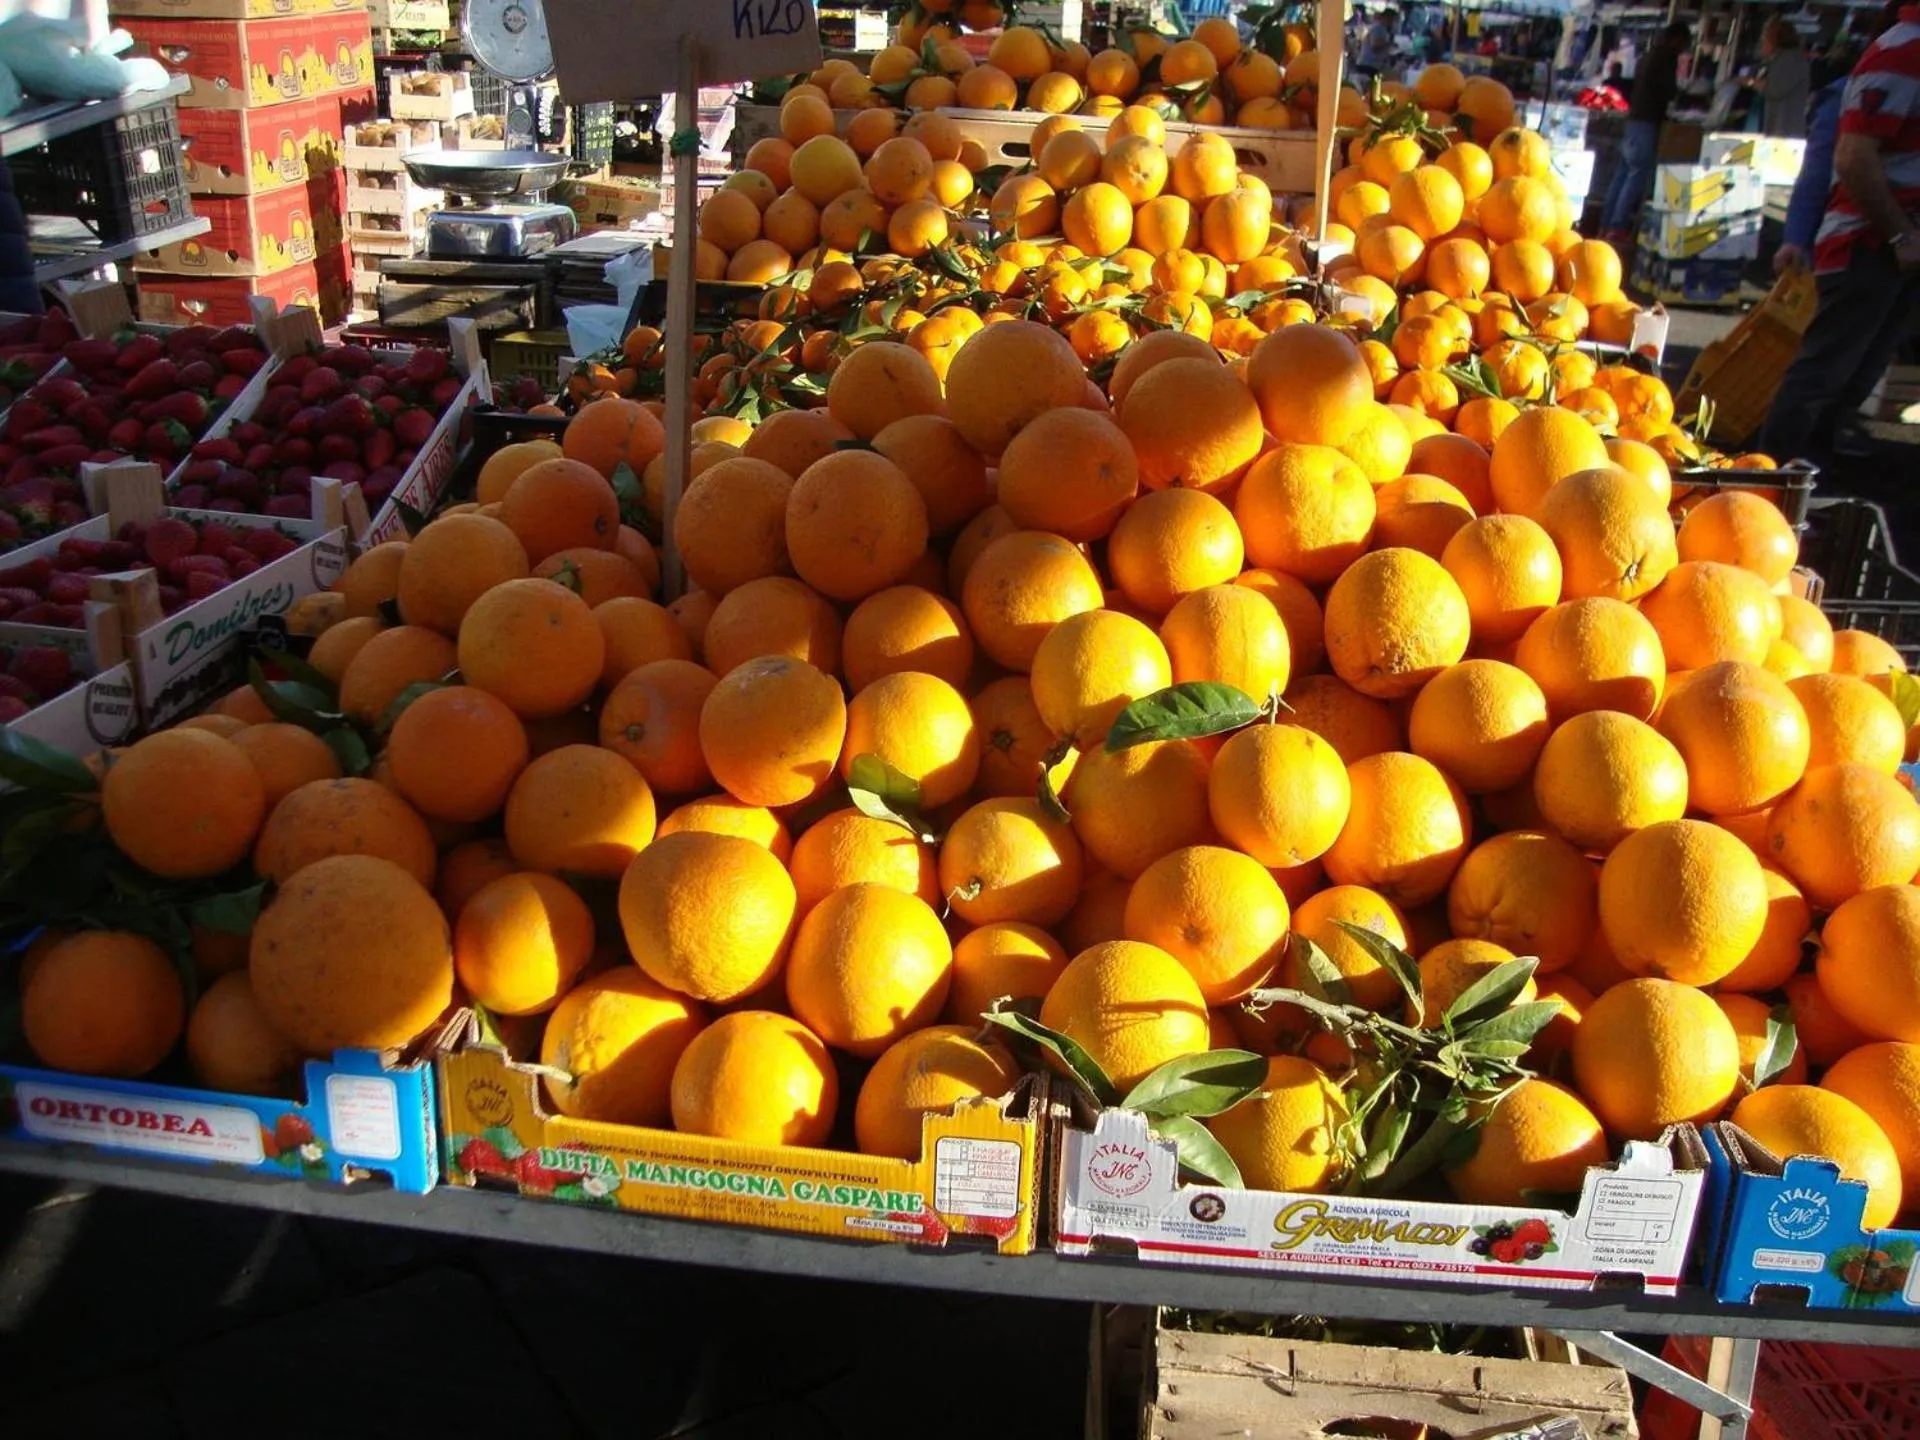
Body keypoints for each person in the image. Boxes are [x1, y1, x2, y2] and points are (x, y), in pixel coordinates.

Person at [1760, 5, 1920, 461]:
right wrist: (1900, 234)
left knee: (1856, 374)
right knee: (1823, 374)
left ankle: (1809, 480)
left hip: (1894, 245)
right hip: (1869, 244)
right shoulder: (1904, 52)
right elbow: (1849, 157)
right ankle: (1770, 481)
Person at [1599, 21, 1691, 243]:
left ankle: (1605, 223)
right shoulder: (1666, 57)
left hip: (1634, 121)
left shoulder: (1649, 55)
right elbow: (1668, 90)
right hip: (1646, 123)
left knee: (1623, 174)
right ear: (1677, 40)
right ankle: (1617, 226)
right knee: (1636, 174)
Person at [1748, 18, 1812, 137]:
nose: (1762, 41)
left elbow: (1775, 90)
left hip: (1784, 130)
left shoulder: (1788, 61)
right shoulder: (1779, 60)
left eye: (1765, 37)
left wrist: (1750, 82)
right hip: (1779, 129)